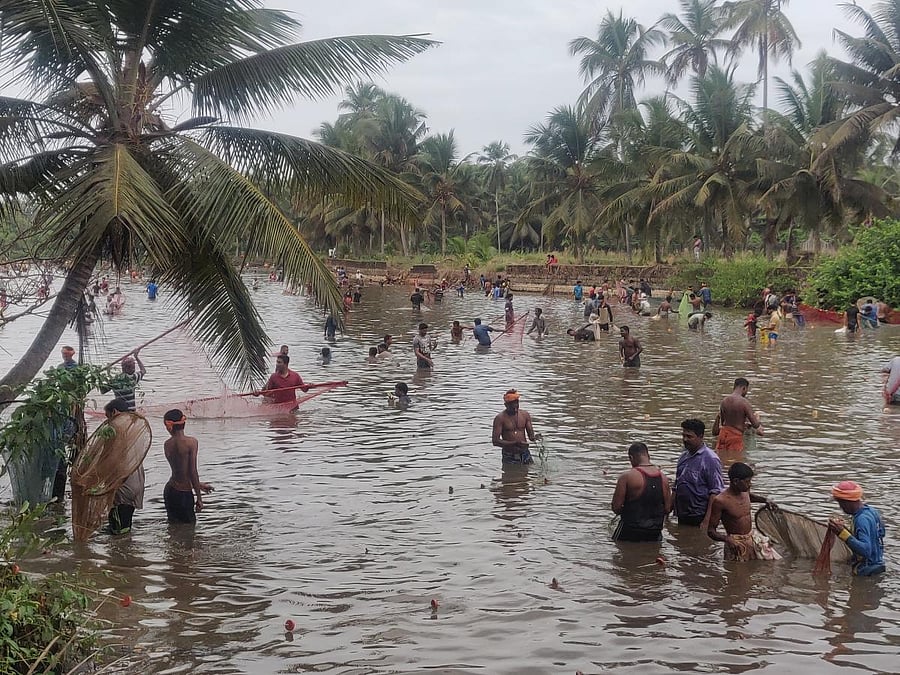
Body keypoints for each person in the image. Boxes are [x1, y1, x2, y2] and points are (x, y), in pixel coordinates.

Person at [707, 462, 780, 561]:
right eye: (747, 481)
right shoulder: (721, 501)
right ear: (736, 481)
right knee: (738, 574)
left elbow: (750, 497)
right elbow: (711, 531)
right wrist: (727, 539)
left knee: (772, 563)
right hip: (735, 544)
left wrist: (765, 500)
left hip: (751, 538)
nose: (750, 484)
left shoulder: (745, 491)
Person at [611, 442, 672, 542]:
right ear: (648, 456)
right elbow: (667, 509)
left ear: (631, 458)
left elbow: (616, 508)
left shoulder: (626, 477)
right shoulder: (663, 478)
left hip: (630, 530)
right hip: (654, 532)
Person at [163, 409, 212, 524]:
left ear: (169, 426)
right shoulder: (191, 443)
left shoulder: (167, 444)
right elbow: (192, 471)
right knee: (189, 530)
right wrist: (199, 498)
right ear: (184, 423)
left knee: (173, 527)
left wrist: (198, 485)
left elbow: (179, 472)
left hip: (170, 490)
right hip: (184, 493)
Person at [105, 398, 145, 535]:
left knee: (117, 532)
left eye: (108, 416)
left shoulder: (116, 428)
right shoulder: (135, 427)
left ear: (114, 412)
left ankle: (119, 554)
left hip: (122, 484)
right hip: (137, 482)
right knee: (126, 526)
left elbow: (114, 458)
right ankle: (127, 551)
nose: (108, 420)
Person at [673, 419, 724, 526]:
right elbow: (677, 484)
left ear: (700, 436)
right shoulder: (683, 456)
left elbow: (715, 491)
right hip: (682, 513)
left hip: (700, 514)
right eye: (683, 436)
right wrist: (669, 508)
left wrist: (707, 520)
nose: (685, 439)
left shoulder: (710, 459)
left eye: (689, 436)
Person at [828, 481, 885, 576]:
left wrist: (842, 533)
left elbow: (866, 551)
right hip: (878, 564)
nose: (840, 507)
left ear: (847, 502)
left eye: (840, 503)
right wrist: (845, 529)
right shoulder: (872, 512)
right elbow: (881, 533)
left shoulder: (861, 519)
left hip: (866, 570)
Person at [491, 389, 539, 465]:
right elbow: (495, 441)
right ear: (506, 405)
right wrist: (514, 443)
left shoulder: (525, 415)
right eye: (512, 405)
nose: (515, 407)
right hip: (509, 455)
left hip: (525, 453)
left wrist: (537, 437)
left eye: (516, 403)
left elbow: (531, 437)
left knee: (529, 474)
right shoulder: (500, 418)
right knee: (510, 476)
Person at [715, 378, 763, 451]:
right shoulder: (744, 403)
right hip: (735, 436)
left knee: (721, 457)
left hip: (723, 434)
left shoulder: (724, 401)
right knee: (735, 458)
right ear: (744, 388)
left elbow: (722, 422)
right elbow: (755, 424)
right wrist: (758, 418)